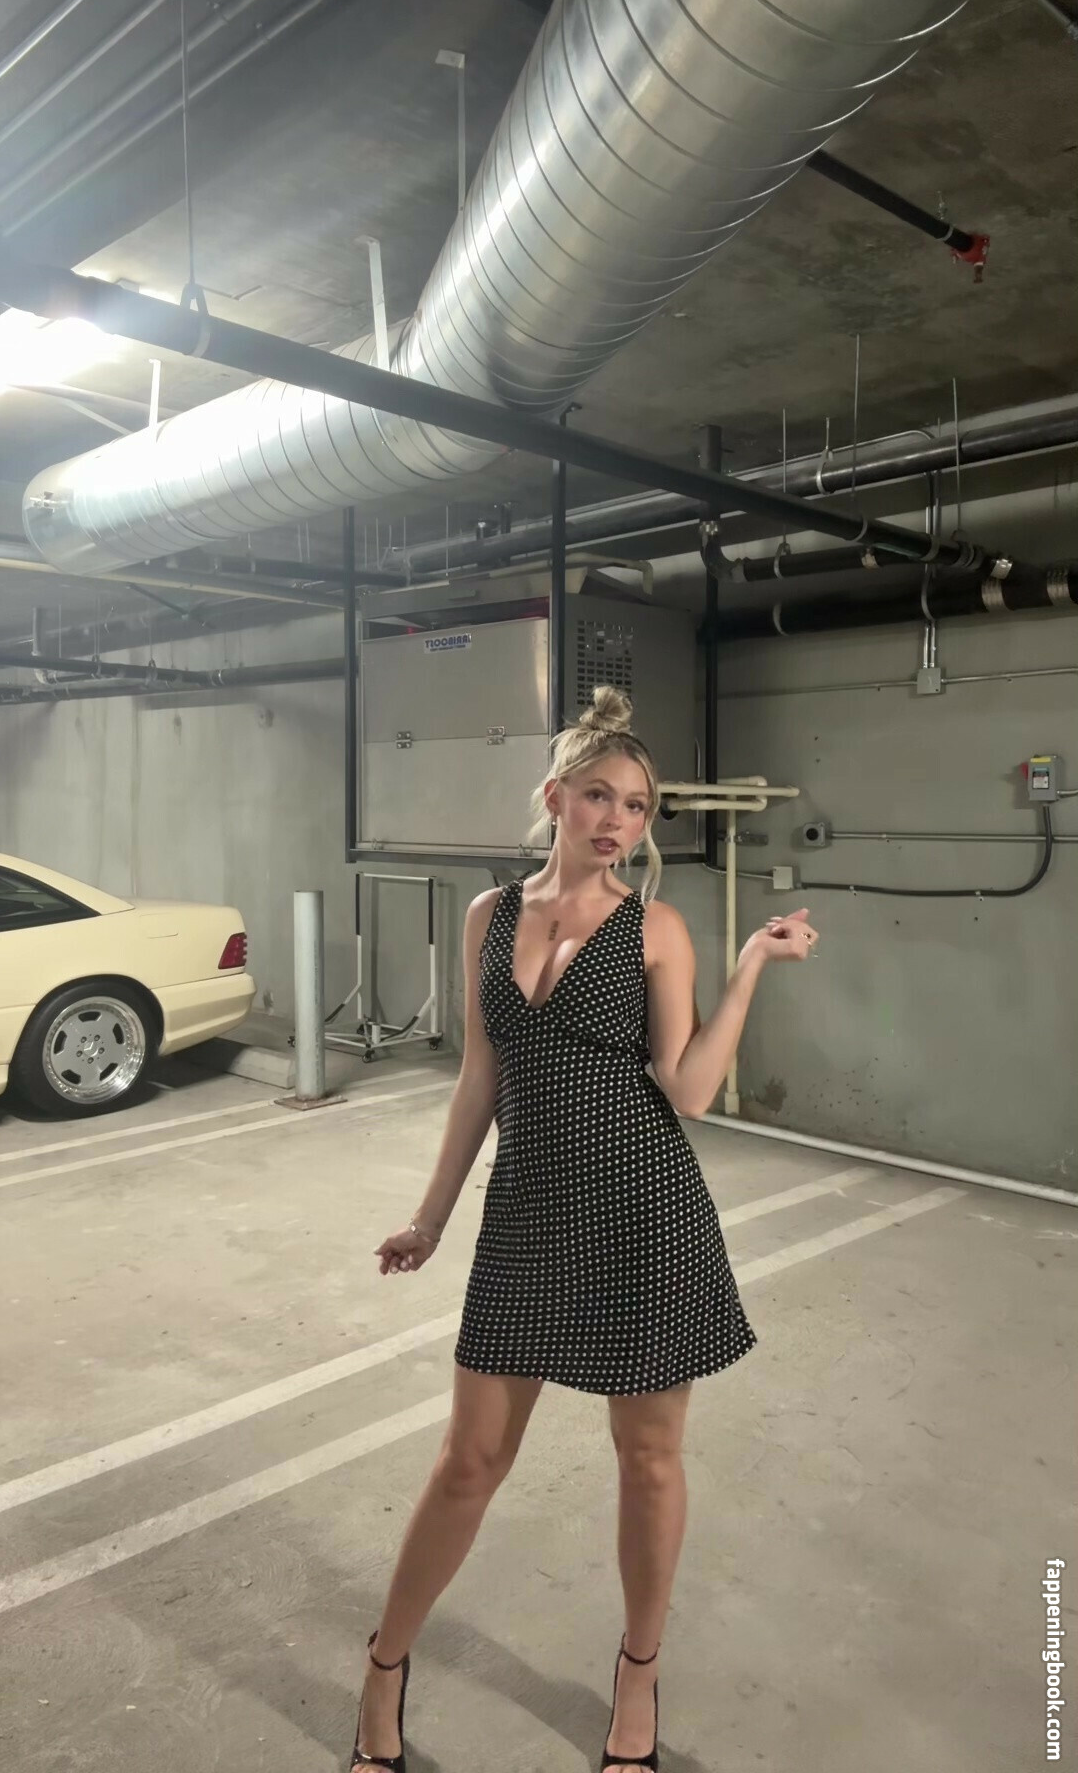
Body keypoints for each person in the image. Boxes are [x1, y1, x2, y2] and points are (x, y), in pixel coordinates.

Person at [350, 686, 819, 1772]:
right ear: (555, 796)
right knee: (468, 1462)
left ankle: (638, 1675)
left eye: (639, 806)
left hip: (645, 1213)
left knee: (648, 1461)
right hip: (525, 1214)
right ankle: (384, 1666)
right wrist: (430, 1216)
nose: (618, 821)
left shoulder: (654, 928)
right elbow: (480, 1074)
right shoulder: (489, 916)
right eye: (600, 796)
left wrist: (750, 967)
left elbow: (687, 1089)